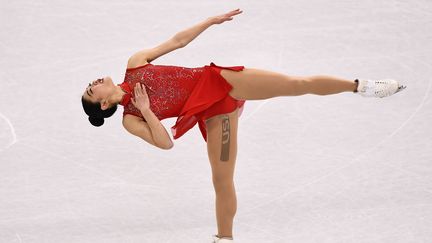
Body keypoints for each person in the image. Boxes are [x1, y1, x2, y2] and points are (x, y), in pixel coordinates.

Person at [81, 9, 406, 243]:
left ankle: (362, 86)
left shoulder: (135, 64)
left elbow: (177, 41)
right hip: (214, 114)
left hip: (222, 82)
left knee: (296, 83)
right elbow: (165, 144)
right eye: (90, 91)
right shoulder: (130, 120)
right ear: (104, 104)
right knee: (222, 179)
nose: (92, 82)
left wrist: (208, 22)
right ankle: (225, 238)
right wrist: (147, 110)